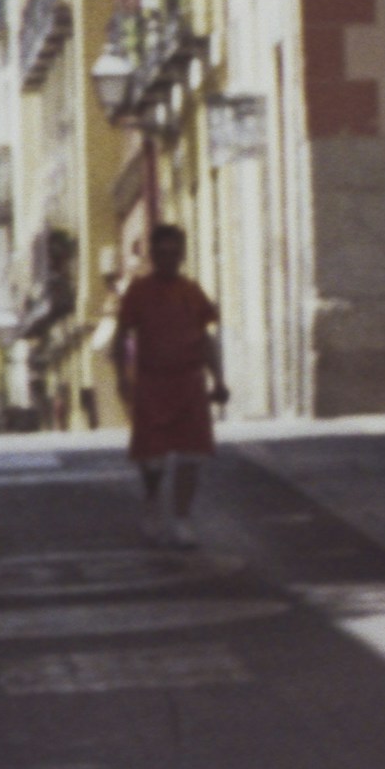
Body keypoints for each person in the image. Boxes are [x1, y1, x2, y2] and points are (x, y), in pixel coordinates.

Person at [110, 222, 228, 547]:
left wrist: (218, 378)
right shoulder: (139, 291)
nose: (168, 258)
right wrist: (122, 377)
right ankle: (151, 502)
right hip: (152, 383)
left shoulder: (192, 291)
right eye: (161, 252)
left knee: (192, 456)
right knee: (152, 459)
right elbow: (122, 336)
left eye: (174, 252)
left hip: (189, 383)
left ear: (182, 254)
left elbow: (205, 338)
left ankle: (182, 519)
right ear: (152, 255)